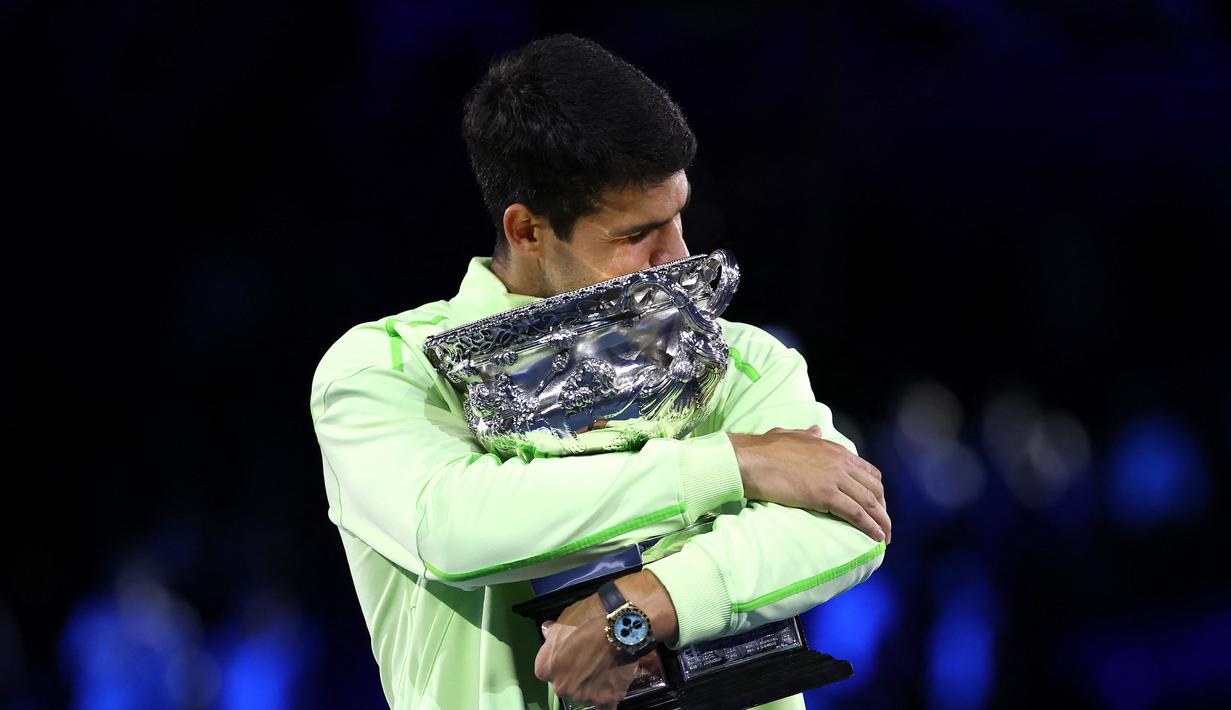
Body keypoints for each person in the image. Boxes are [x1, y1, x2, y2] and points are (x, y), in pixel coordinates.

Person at [310, 34, 890, 709]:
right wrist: (728, 464)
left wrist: (643, 606)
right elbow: (452, 526)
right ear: (527, 231)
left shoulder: (745, 358)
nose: (677, 257)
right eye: (636, 234)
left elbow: (848, 524)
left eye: (678, 216)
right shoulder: (384, 369)